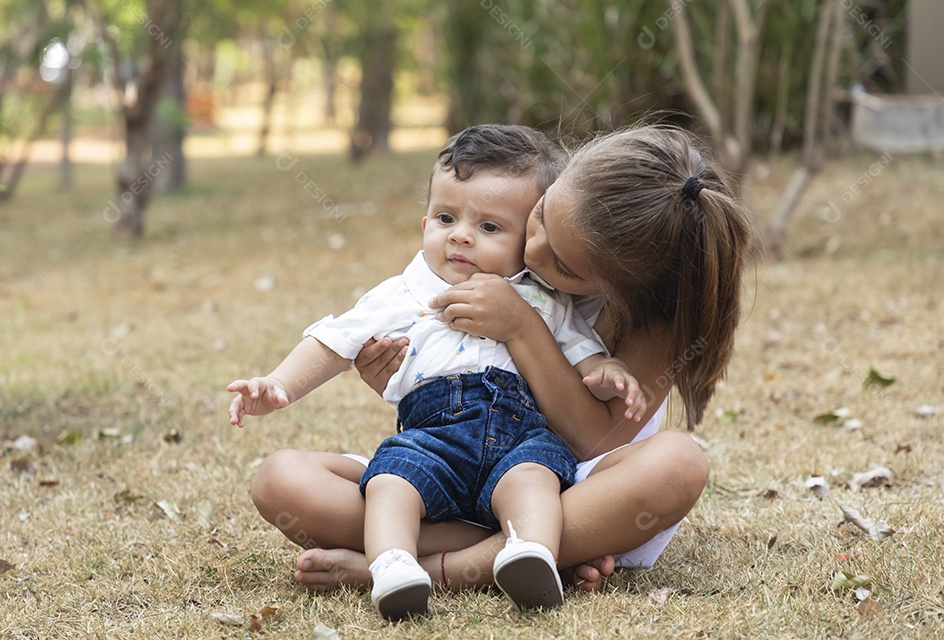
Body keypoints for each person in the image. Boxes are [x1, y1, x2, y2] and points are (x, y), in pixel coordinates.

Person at [246, 125, 755, 598]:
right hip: (448, 470)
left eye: (563, 265)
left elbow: (592, 440)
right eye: (539, 219)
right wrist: (402, 372)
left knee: (679, 465)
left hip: (570, 488)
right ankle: (526, 550)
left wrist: (521, 326)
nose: (532, 253)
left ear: (619, 284)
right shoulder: (477, 259)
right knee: (280, 480)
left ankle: (436, 568)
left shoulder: (652, 315)